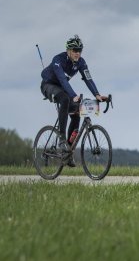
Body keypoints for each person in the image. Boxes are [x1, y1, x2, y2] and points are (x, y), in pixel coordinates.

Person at [40, 35, 107, 166]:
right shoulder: (58, 60)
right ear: (68, 50)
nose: (77, 53)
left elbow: (88, 78)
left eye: (79, 50)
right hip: (48, 85)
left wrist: (97, 95)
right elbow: (62, 80)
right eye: (75, 50)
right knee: (65, 99)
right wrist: (72, 95)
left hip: (62, 88)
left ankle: (68, 152)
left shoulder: (81, 62)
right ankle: (61, 139)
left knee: (77, 112)